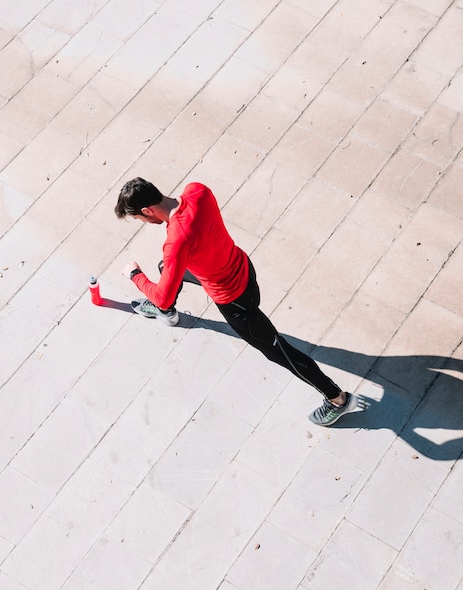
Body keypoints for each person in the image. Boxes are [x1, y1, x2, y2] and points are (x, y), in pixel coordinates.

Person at [115, 177, 363, 426]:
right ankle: (167, 314)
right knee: (165, 268)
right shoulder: (197, 191)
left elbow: (162, 295)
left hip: (234, 300)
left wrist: (136, 276)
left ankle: (337, 400)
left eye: (140, 219)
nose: (145, 222)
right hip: (242, 267)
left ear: (146, 211)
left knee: (278, 351)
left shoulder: (176, 241)